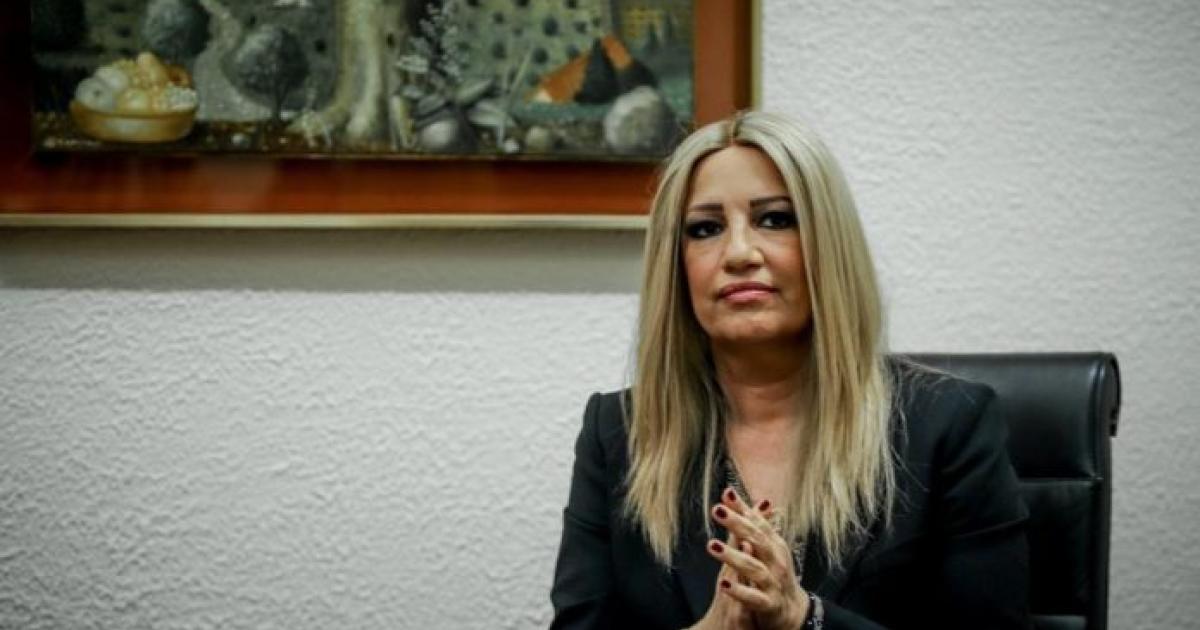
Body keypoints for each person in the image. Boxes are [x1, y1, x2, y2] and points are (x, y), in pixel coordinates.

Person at [549, 111, 1031, 629]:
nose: (739, 253)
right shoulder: (618, 434)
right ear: (676, 265)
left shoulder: (949, 425)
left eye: (775, 219)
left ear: (828, 244)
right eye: (705, 229)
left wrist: (806, 618)